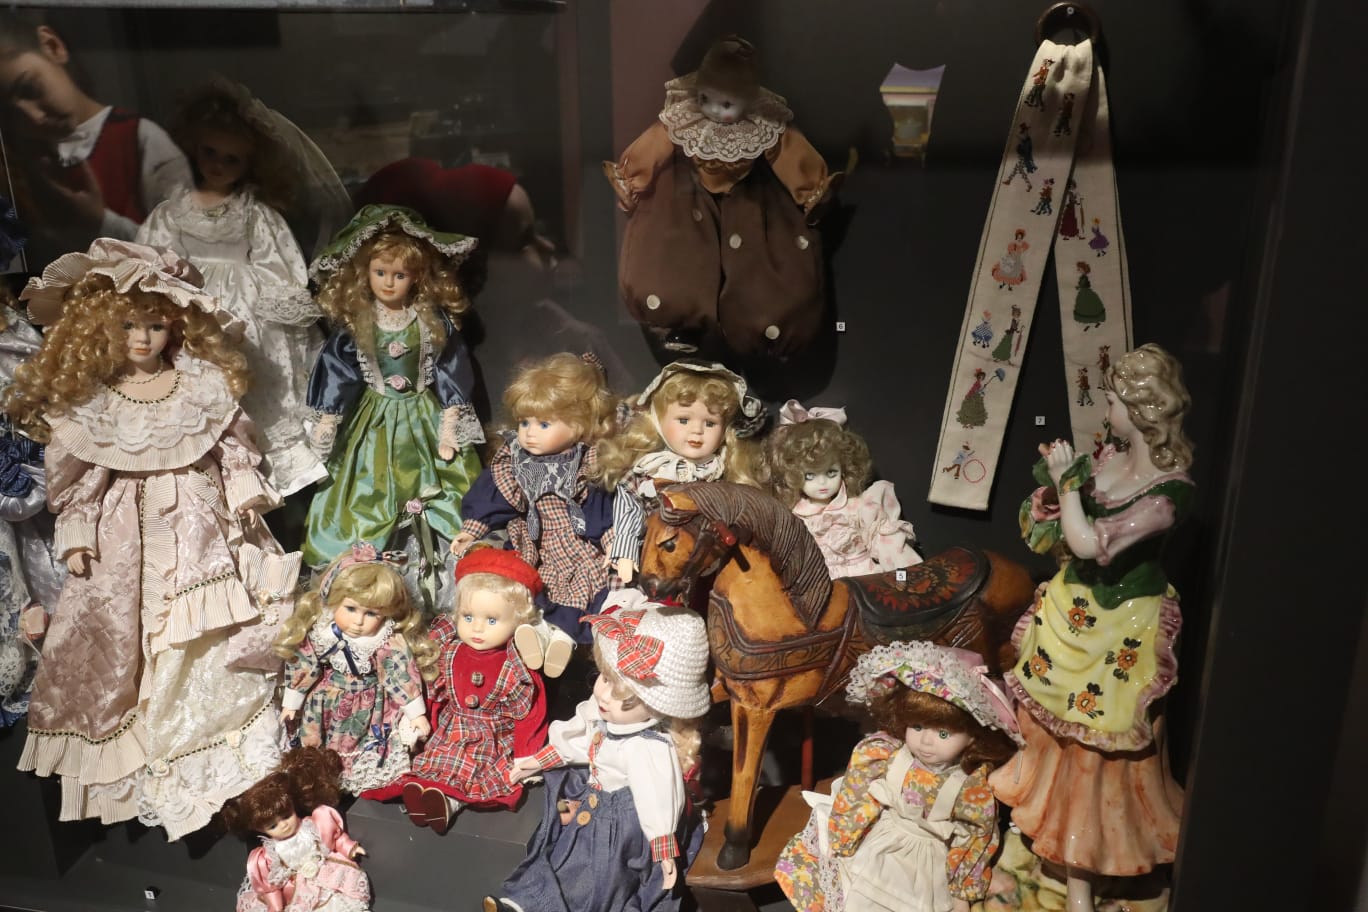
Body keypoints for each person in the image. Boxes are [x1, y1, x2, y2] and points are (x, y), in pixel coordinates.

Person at [5, 239, 285, 838]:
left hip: (199, 519)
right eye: (128, 326)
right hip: (124, 529)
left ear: (175, 328)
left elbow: (230, 445)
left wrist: (242, 489)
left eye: (154, 325)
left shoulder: (198, 384)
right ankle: (138, 739)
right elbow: (80, 475)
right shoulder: (97, 398)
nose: (141, 338)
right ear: (100, 330)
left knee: (206, 627)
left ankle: (203, 728)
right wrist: (77, 529)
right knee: (122, 626)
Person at [990, 343, 1192, 912]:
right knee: (1051, 738)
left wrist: (1067, 484)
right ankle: (1045, 846)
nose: (1106, 409)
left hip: (1122, 630)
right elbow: (1065, 529)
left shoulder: (1168, 495)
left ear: (1140, 406)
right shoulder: (1109, 459)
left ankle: (1089, 870)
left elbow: (1090, 545)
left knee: (1100, 756)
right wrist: (1057, 492)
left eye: (1112, 400)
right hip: (1072, 617)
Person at [137, 78, 327, 495]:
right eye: (210, 153)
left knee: (258, 385)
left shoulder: (254, 213)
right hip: (191, 306)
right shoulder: (172, 211)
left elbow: (277, 264)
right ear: (192, 148)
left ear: (249, 165)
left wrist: (276, 309)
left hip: (248, 312)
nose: (218, 165)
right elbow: (152, 260)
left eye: (232, 159)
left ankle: (257, 467)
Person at [487, 598, 710, 912]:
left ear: (659, 706)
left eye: (621, 694)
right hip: (590, 797)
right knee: (556, 820)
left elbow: (655, 799)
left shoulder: (646, 748)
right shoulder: (603, 715)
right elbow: (580, 741)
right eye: (604, 678)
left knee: (591, 875)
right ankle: (533, 891)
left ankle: (542, 904)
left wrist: (664, 853)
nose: (602, 694)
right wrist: (537, 761)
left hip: (620, 825)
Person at [302, 204, 483, 582]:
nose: (388, 283)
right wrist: (328, 421)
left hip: (422, 415)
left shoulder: (430, 321)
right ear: (364, 273)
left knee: (440, 486)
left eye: (399, 275)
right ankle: (368, 566)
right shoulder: (358, 324)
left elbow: (451, 368)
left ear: (416, 277)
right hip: (373, 418)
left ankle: (435, 566)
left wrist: (450, 424)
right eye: (380, 273)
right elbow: (338, 373)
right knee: (366, 484)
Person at [777, 641, 1020, 912]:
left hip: (924, 865)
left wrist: (961, 894)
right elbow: (859, 796)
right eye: (917, 726)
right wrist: (844, 837)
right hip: (878, 843)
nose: (925, 741)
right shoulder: (886, 753)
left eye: (943, 733)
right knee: (849, 889)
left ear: (973, 735)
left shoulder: (970, 786)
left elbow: (974, 838)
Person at [451, 352, 619, 667]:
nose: (529, 432)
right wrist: (471, 530)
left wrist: (613, 545)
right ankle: (537, 634)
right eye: (524, 422)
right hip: (533, 538)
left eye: (543, 424)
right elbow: (494, 499)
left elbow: (601, 508)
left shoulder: (586, 462)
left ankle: (564, 640)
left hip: (577, 543)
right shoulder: (514, 460)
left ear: (579, 425)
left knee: (577, 588)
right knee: (530, 585)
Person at [366, 548, 548, 834]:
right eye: (468, 616)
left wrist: (526, 754)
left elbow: (530, 713)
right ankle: (423, 795)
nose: (477, 628)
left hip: (491, 735)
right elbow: (437, 694)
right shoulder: (450, 650)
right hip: (453, 727)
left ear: (518, 621)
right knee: (437, 762)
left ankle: (448, 804)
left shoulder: (515, 665)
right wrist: (424, 724)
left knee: (473, 771)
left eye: (491, 620)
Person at [0, 13, 191, 264]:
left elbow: (186, 257)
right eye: (9, 114)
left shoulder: (141, 140)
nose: (34, 118)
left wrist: (99, 223)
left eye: (30, 89)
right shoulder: (21, 166)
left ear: (52, 46)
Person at [274, 543, 437, 794]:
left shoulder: (384, 639)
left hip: (369, 704)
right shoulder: (322, 631)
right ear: (332, 600)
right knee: (317, 746)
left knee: (364, 744)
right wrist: (292, 702)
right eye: (350, 609)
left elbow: (398, 673)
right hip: (326, 701)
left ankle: (358, 776)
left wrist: (415, 713)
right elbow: (304, 662)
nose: (359, 621)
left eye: (371, 614)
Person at [593, 359, 764, 585]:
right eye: (683, 420)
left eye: (710, 423)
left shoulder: (718, 475)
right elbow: (629, 508)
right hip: (648, 561)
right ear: (658, 419)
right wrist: (625, 548)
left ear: (725, 429)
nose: (697, 431)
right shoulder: (650, 468)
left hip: (703, 570)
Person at [766, 399, 921, 578]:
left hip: (864, 579)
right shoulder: (794, 517)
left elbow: (890, 548)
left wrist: (906, 580)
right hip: (820, 582)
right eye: (810, 475)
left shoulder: (860, 508)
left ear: (845, 467)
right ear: (793, 475)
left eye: (831, 472)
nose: (822, 483)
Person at [222, 746, 372, 912]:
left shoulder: (314, 824)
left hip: (327, 874)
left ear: (293, 807)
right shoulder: (267, 856)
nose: (284, 825)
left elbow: (335, 837)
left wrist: (350, 847)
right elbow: (270, 887)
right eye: (273, 826)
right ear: (260, 830)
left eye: (287, 816)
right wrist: (275, 907)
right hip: (298, 891)